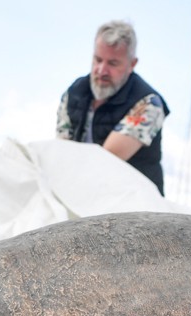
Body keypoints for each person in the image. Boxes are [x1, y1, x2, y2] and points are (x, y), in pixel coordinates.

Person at [57, 20, 170, 194]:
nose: (102, 70)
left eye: (113, 63)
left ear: (132, 64)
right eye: (98, 59)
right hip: (81, 193)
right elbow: (62, 153)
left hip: (136, 204)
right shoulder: (74, 93)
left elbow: (107, 161)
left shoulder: (149, 103)